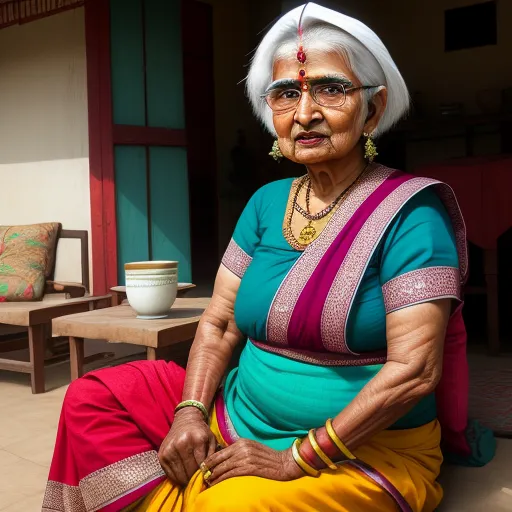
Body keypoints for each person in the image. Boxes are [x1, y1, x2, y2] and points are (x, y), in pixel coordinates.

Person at [42, 4, 494, 512]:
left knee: (229, 506)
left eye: (331, 88)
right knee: (92, 396)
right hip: (236, 413)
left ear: (373, 107)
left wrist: (295, 460)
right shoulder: (264, 204)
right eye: (286, 94)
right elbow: (217, 324)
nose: (305, 113)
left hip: (363, 449)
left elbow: (415, 371)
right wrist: (191, 412)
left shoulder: (413, 213)